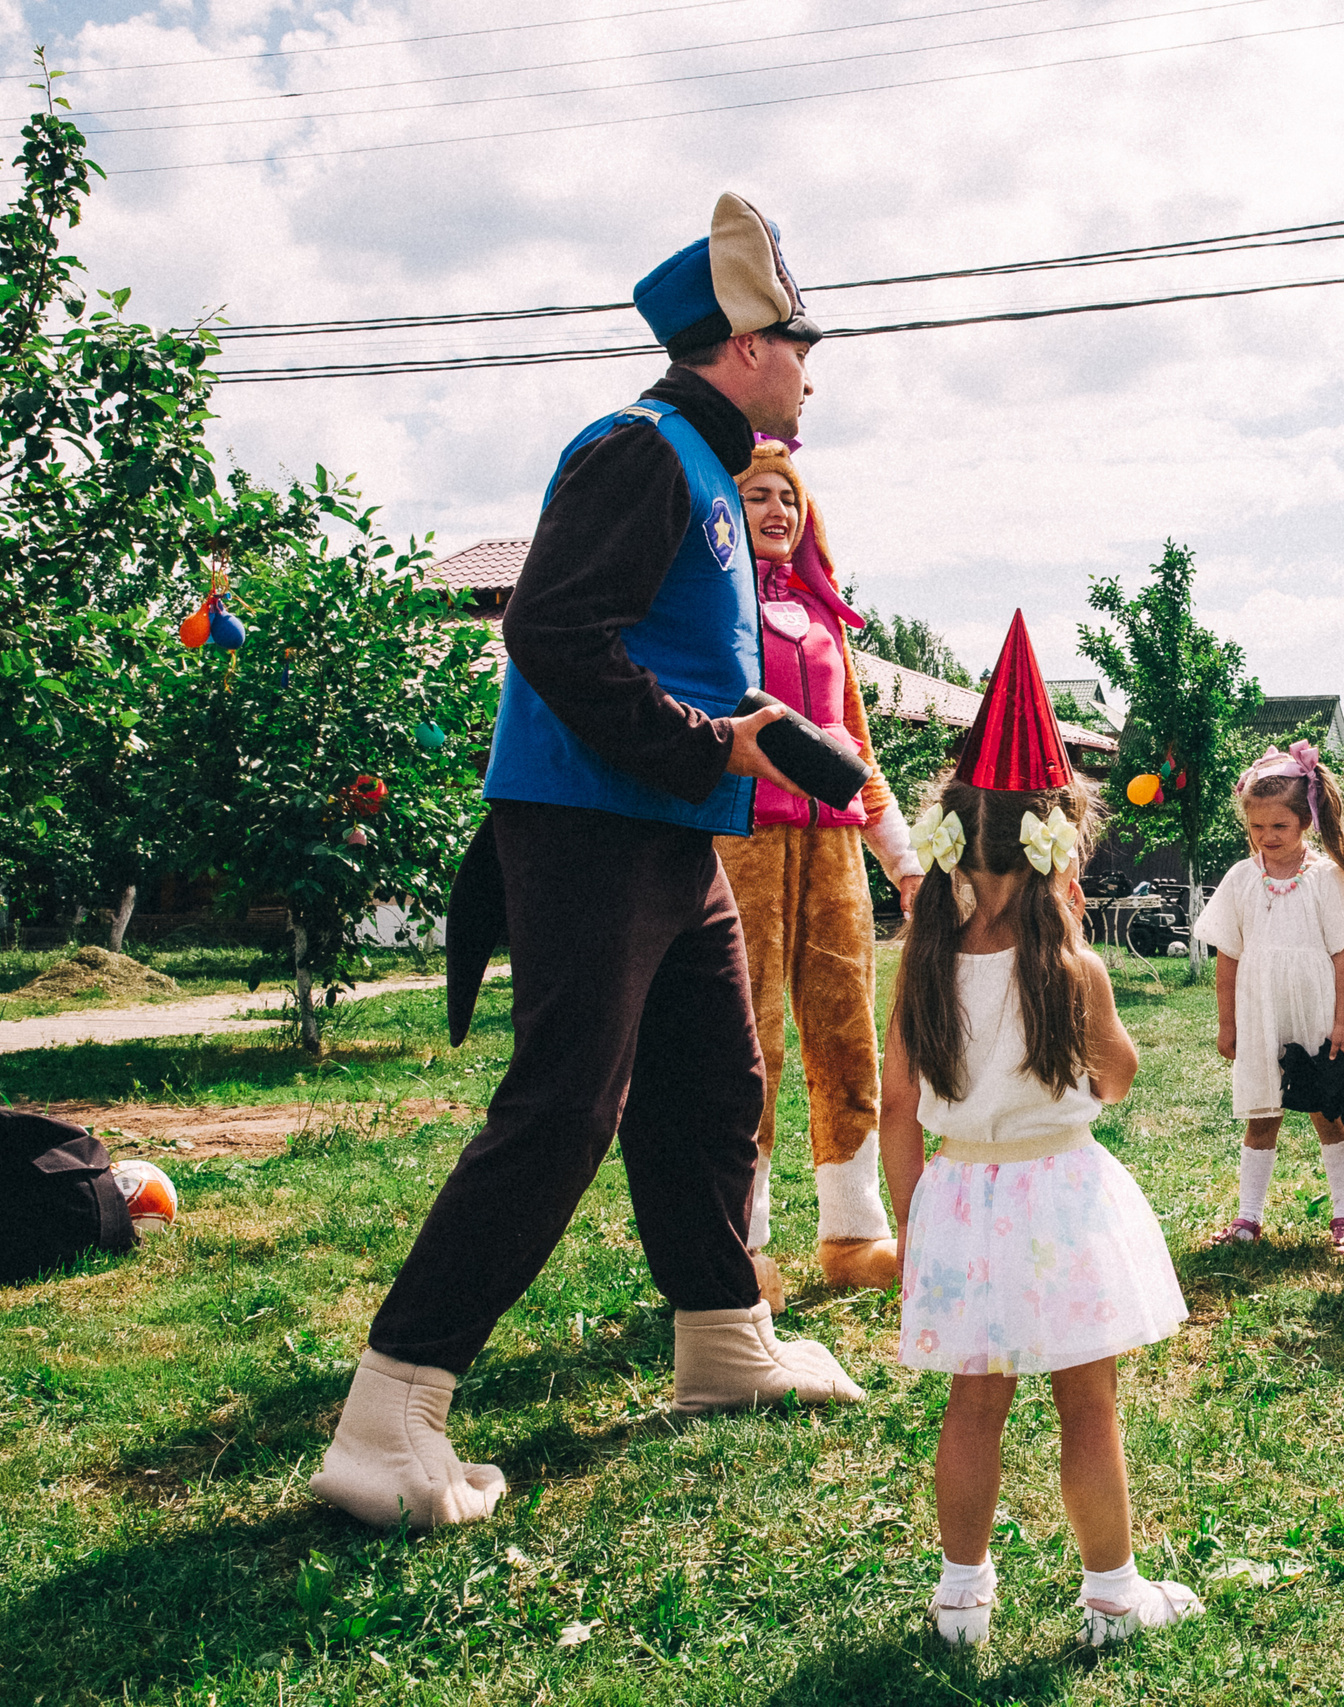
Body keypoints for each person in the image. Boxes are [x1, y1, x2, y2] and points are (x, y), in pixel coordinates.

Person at [310, 193, 862, 1533]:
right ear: (745, 344)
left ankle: (724, 1337)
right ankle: (388, 1416)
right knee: (564, 1106)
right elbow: (553, 634)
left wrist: (740, 732)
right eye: (799, 343)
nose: (811, 367)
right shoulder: (640, 449)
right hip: (587, 824)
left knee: (712, 1082)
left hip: (663, 829)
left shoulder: (702, 464)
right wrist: (710, 743)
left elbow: (649, 645)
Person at [880, 612, 1199, 1649]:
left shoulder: (924, 964)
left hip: (958, 1197)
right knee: (1087, 1405)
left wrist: (909, 1220)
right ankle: (1112, 1595)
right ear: (1056, 844)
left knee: (973, 1406)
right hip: (1059, 1201)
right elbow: (1117, 1079)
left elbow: (895, 1106)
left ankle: (959, 1600)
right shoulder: (1071, 968)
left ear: (955, 840)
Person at [720, 437, 924, 1305]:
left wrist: (906, 863)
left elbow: (859, 752)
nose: (777, 510)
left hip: (834, 851)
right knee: (747, 1045)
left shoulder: (825, 618)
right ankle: (739, 1243)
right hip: (742, 841)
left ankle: (854, 1231)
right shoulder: (714, 606)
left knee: (847, 1033)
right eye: (758, 495)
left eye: (789, 498)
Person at [1197, 741, 1344, 1255]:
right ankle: (1248, 1218)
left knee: (1329, 1114)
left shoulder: (1325, 878)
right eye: (1257, 826)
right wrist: (1227, 1023)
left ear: (1306, 822)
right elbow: (1227, 957)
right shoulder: (1240, 879)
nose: (1267, 836)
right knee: (1261, 1114)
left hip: (1316, 1013)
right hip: (1261, 1015)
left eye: (1279, 825)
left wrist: (1340, 1024)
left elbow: (1341, 959)